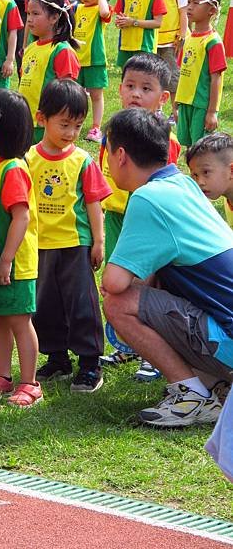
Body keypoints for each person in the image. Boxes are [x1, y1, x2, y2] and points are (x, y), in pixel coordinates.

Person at [101, 107, 233, 428]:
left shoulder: (148, 198)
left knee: (118, 304)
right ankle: (216, 385)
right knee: (156, 286)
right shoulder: (184, 184)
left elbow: (115, 282)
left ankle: (192, 397)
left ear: (120, 155)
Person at [99, 53, 181, 381]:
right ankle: (127, 342)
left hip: (146, 223)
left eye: (146, 88)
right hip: (117, 216)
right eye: (130, 86)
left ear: (162, 98)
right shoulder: (114, 131)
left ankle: (154, 352)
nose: (135, 94)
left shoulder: (165, 141)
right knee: (119, 283)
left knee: (147, 285)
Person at [26, 78, 111, 392]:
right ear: (41, 119)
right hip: (39, 246)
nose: (70, 133)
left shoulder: (82, 161)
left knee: (82, 304)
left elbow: (93, 202)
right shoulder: (28, 160)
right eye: (64, 124)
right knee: (43, 304)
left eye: (77, 126)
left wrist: (98, 242)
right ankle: (57, 357)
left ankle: (90, 363)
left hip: (76, 245)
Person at [0, 89, 42, 407]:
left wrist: (6, 260)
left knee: (19, 320)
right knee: (0, 319)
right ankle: (3, 376)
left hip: (14, 264)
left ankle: (30, 383)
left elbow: (21, 218)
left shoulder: (13, 169)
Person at [19, 0, 80, 143]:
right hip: (26, 122)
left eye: (36, 14)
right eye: (28, 14)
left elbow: (68, 95)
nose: (30, 19)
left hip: (46, 127)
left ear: (54, 17)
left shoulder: (62, 51)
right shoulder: (31, 48)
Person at [175, 0, 226, 147]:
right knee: (188, 145)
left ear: (212, 10)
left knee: (200, 148)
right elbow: (182, 71)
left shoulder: (213, 42)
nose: (189, 7)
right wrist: (177, 102)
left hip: (201, 105)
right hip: (185, 103)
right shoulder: (189, 38)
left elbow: (216, 79)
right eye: (189, 1)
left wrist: (212, 112)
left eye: (196, 3)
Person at [71, 0, 111, 143]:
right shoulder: (77, 8)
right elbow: (59, 8)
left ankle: (95, 127)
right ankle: (73, 123)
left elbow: (104, 11)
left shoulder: (99, 8)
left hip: (95, 59)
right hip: (77, 59)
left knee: (96, 95)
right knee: (75, 95)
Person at [152, 0, 189, 124]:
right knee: (155, 76)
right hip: (154, 39)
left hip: (171, 40)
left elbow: (184, 12)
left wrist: (182, 36)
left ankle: (176, 112)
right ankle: (157, 110)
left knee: (173, 77)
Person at [186, 132, 233, 230]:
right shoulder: (228, 196)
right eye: (195, 175)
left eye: (206, 172)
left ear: (231, 171)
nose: (200, 182)